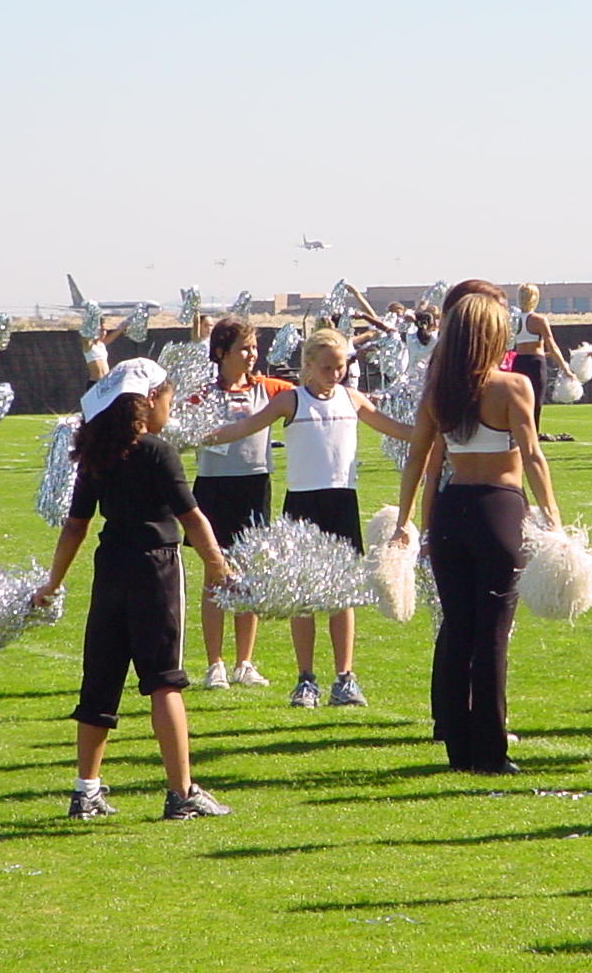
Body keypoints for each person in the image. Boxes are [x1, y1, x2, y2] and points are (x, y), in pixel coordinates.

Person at [33, 358, 233, 822]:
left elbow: (75, 527)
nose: (170, 409)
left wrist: (53, 582)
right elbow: (192, 517)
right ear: (148, 400)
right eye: (168, 399)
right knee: (164, 680)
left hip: (110, 568)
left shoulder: (98, 453)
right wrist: (219, 566)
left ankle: (85, 792)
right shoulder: (158, 451)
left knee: (100, 680)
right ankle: (181, 792)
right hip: (155, 568)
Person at [390, 291, 562, 774]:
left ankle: (457, 747)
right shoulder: (513, 386)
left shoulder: (438, 391)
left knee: (458, 631)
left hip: (450, 512)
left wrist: (410, 523)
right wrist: (553, 518)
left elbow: (419, 461)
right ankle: (490, 751)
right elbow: (532, 456)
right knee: (492, 636)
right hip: (499, 511)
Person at [206, 328, 412, 709]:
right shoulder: (292, 401)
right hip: (302, 505)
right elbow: (244, 427)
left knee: (342, 595)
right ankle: (306, 680)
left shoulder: (352, 399)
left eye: (341, 367)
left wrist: (437, 433)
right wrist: (199, 436)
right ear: (309, 365)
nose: (335, 374)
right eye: (328, 367)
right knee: (303, 597)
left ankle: (345, 678)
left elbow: (396, 429)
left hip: (342, 502)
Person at [190, 317, 295, 691]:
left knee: (248, 574)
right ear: (221, 353)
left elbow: (304, 395)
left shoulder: (268, 388)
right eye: (243, 349)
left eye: (254, 348)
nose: (252, 355)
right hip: (214, 487)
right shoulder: (202, 393)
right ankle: (214, 663)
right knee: (216, 575)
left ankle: (244, 663)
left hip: (254, 486)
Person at [511, 283, 575, 437]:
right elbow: (552, 346)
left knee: (518, 401)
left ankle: (517, 434)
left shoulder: (513, 320)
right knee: (535, 402)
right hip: (535, 363)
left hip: (518, 362)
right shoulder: (539, 320)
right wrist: (566, 369)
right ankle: (532, 436)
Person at [79, 317, 129, 386]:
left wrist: (127, 322)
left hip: (107, 382)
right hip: (95, 383)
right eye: (101, 330)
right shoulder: (89, 345)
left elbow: (118, 331)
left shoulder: (102, 344)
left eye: (104, 330)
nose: (103, 333)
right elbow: (85, 336)